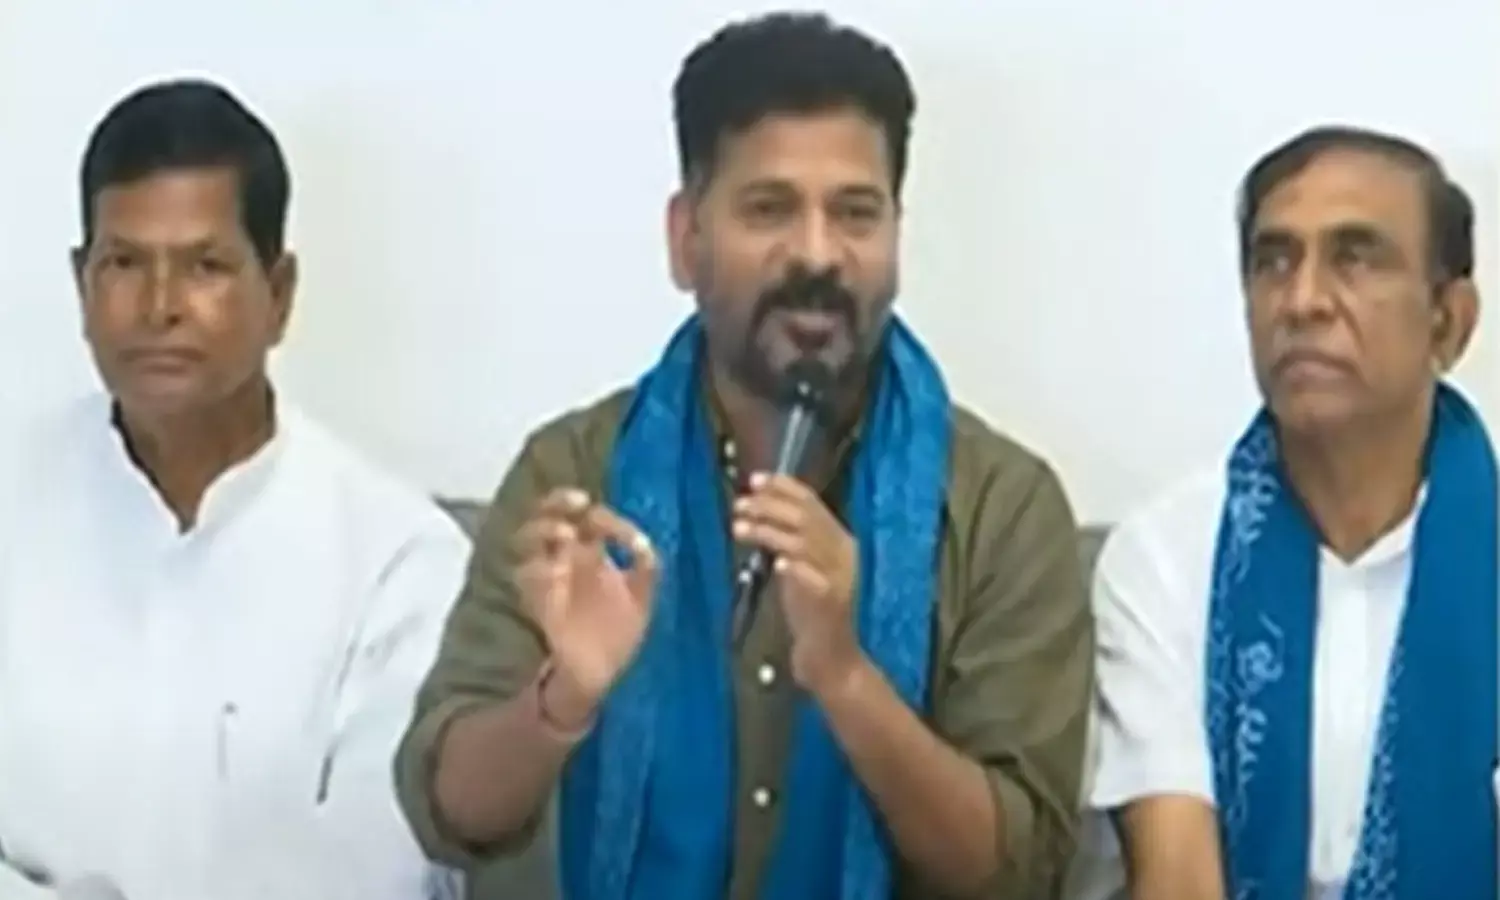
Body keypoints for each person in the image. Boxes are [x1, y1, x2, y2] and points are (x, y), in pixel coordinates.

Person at [394, 11, 1094, 900]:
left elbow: (1019, 871)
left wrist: (846, 677)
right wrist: (562, 700)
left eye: (855, 213)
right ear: (687, 239)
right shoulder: (573, 475)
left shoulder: (1000, 505)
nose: (817, 254)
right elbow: (451, 813)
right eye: (770, 209)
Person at [0, 79, 472, 900]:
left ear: (278, 294)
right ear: (82, 285)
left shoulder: (398, 562)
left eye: (205, 267)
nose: (160, 308)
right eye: (124, 264)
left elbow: (387, 869)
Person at [1081, 126, 1496, 899]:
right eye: (1274, 261)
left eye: (1355, 258)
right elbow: (1177, 881)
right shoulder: (1166, 559)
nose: (1303, 302)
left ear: (1449, 320)